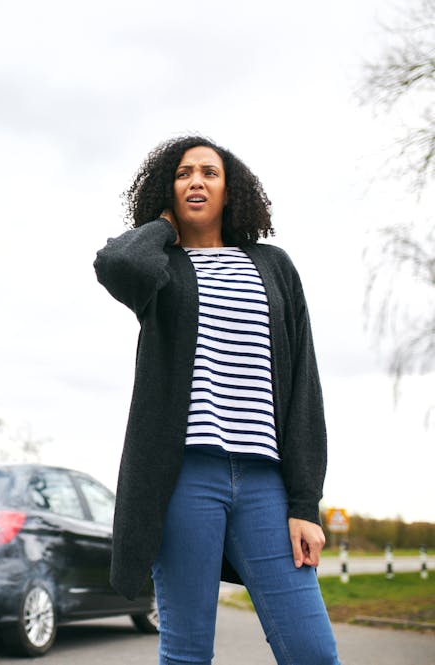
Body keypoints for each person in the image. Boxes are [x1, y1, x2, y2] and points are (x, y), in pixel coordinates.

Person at [93, 135, 340, 664]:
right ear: (168, 189)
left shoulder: (274, 266)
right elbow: (116, 263)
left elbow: (303, 386)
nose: (197, 181)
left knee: (313, 652)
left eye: (210, 172)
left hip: (265, 483)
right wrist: (164, 226)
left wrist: (305, 503)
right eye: (183, 174)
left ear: (233, 191)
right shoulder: (161, 269)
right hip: (184, 477)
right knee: (186, 654)